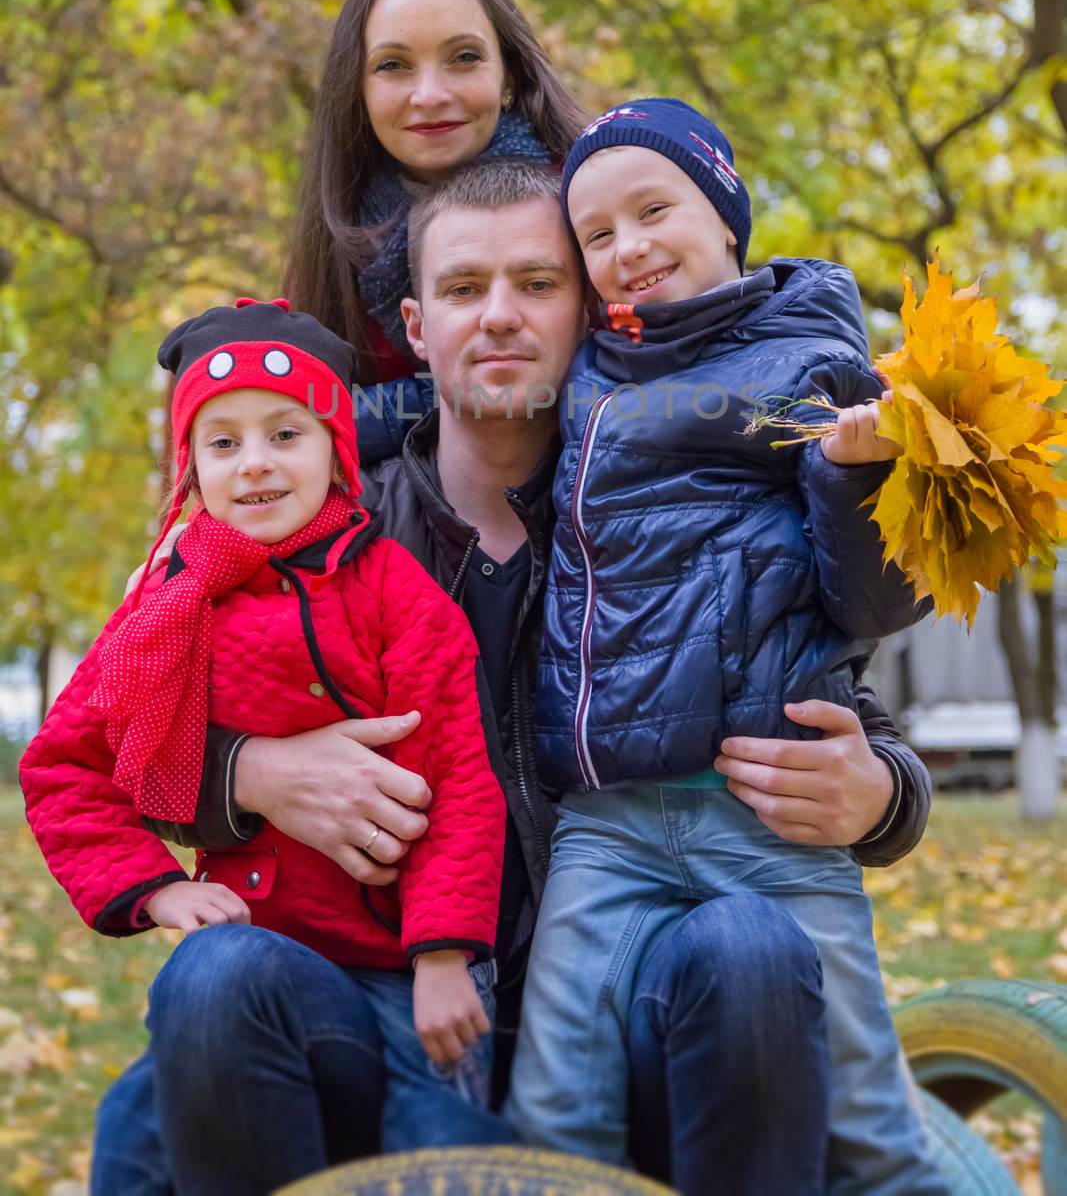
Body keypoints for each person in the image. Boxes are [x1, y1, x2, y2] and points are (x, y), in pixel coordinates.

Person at [94, 164, 937, 1196]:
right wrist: (248, 773)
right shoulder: (303, 533)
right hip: (385, 1000)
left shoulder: (680, 495)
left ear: (591, 307)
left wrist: (884, 794)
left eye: (536, 283)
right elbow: (118, 741)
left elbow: (826, 685)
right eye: (462, 289)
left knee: (752, 945)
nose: (497, 316)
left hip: (628, 996)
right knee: (214, 982)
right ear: (413, 320)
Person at [504, 103, 948, 1194]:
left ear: (724, 212)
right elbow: (420, 407)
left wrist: (858, 477)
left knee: (870, 1120)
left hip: (765, 809)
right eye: (596, 236)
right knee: (552, 1102)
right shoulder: (587, 372)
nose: (628, 248)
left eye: (653, 210)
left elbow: (875, 604)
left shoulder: (819, 361)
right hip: (604, 823)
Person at [21, 299, 508, 1192]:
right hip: (251, 953)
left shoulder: (390, 589)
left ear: (334, 451)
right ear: (191, 467)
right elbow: (62, 768)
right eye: (223, 443)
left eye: (285, 434)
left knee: (432, 1145)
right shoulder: (167, 606)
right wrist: (160, 890)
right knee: (131, 1136)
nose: (254, 463)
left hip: (392, 969)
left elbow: (460, 776)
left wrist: (444, 955)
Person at [284, 0, 583, 404]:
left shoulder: (592, 204)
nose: (430, 95)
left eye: (464, 57)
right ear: (356, 91)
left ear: (509, 72)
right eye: (393, 65)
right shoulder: (338, 244)